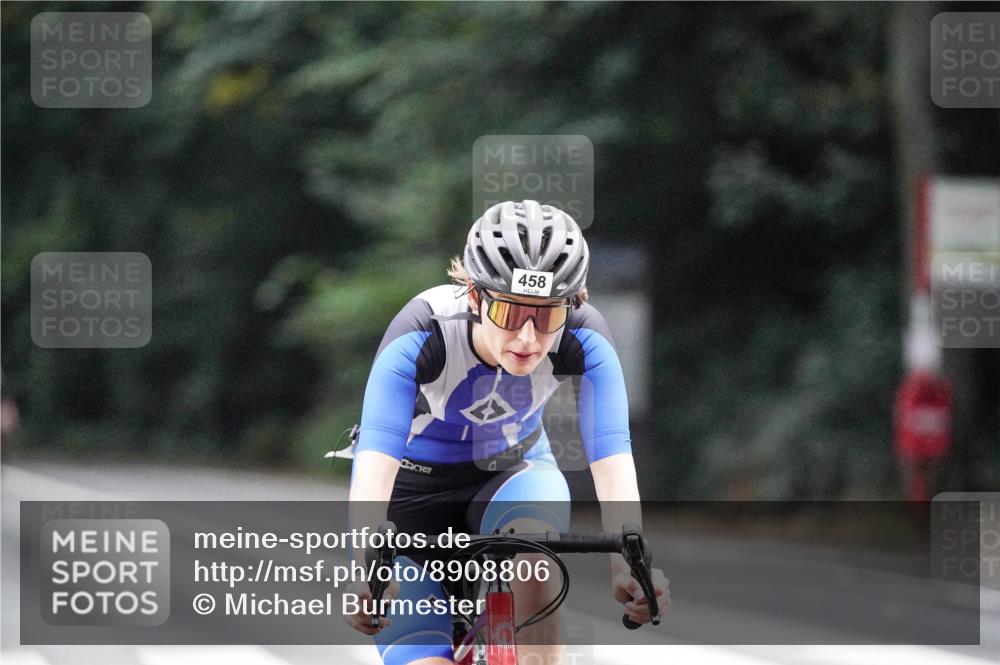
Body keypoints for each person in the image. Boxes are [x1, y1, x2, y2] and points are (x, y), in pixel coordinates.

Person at [344, 200, 669, 665]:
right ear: (475, 297)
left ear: (572, 305)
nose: (528, 339)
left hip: (513, 473)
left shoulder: (585, 335)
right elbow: (375, 468)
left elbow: (613, 461)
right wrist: (365, 568)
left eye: (547, 315)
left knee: (536, 567)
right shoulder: (423, 331)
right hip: (409, 493)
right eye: (511, 314)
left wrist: (629, 567)